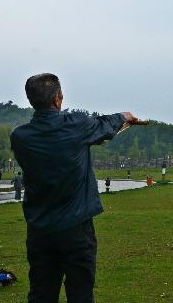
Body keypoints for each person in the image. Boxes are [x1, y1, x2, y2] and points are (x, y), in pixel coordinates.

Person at [10, 72, 146, 303]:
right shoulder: (77, 126)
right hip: (76, 228)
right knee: (80, 292)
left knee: (41, 293)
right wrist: (124, 116)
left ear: (31, 100)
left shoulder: (20, 137)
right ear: (57, 99)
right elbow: (104, 125)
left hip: (40, 230)